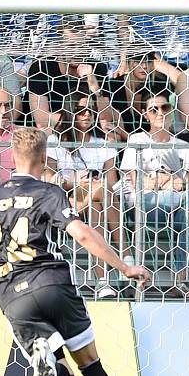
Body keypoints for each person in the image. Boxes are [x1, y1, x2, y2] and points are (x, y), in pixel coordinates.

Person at [0, 127, 150, 376]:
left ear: (12, 156)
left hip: (14, 297)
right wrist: (124, 267)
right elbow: (81, 234)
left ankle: (48, 356)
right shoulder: (48, 192)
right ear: (43, 158)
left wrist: (3, 290)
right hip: (52, 283)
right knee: (91, 364)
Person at [120, 92, 189, 293]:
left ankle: (182, 280)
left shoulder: (184, 146)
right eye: (153, 109)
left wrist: (168, 183)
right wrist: (168, 180)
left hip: (178, 203)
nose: (160, 113)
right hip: (144, 204)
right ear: (145, 115)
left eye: (164, 108)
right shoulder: (137, 139)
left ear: (172, 111)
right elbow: (137, 181)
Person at [45, 94, 124, 299]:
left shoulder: (103, 143)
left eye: (90, 110)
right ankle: (126, 254)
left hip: (97, 199)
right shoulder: (55, 141)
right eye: (81, 111)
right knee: (100, 191)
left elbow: (112, 181)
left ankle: (103, 281)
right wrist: (73, 182)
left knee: (99, 204)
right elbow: (48, 175)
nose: (87, 114)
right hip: (66, 198)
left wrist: (92, 184)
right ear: (70, 113)